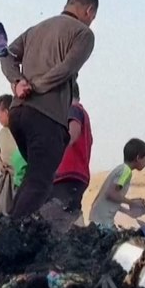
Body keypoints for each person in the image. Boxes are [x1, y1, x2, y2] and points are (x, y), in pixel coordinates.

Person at [1, 0, 98, 218]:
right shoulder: (83, 34)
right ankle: (13, 231)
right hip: (46, 114)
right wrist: (36, 87)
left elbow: (6, 54)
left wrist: (17, 82)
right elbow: (67, 68)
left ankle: (13, 225)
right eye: (93, 17)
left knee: (34, 178)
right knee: (41, 183)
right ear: (89, 11)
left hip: (18, 113)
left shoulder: (36, 29)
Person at [52, 82, 93, 219]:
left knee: (58, 215)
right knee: (70, 214)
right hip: (77, 175)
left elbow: (73, 132)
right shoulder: (83, 113)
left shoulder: (73, 109)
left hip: (67, 174)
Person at [88, 138, 145, 227]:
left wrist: (128, 212)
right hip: (102, 221)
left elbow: (111, 200)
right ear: (138, 158)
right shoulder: (126, 172)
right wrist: (132, 203)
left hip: (98, 218)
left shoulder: (121, 169)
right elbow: (111, 194)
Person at [0, 94, 26, 213]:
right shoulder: (2, 134)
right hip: (7, 181)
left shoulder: (22, 129)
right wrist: (0, 163)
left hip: (21, 180)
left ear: (7, 112)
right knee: (4, 212)